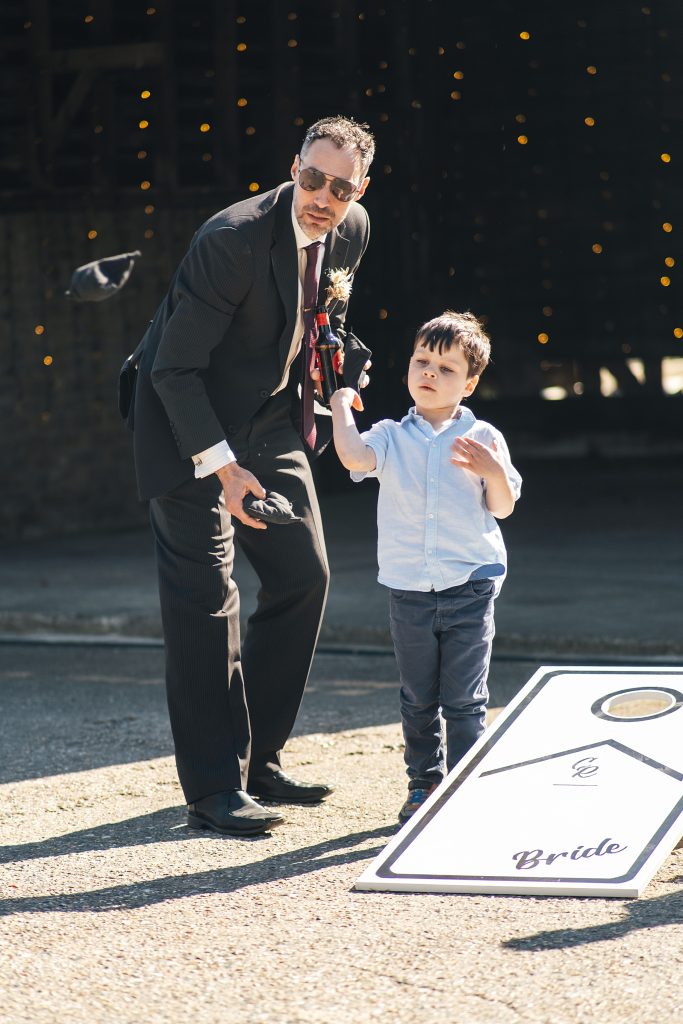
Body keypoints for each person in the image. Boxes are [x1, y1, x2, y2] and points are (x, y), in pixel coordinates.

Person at [120, 116, 375, 836]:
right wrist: (224, 471)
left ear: (360, 188)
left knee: (304, 575)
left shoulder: (352, 229)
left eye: (341, 187)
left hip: (267, 415)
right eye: (312, 179)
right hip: (184, 419)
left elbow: (319, 323)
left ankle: (257, 759)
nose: (323, 197)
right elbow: (172, 366)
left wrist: (341, 389)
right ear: (293, 167)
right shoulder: (230, 241)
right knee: (209, 598)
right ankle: (212, 789)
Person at [330, 311, 522, 824]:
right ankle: (424, 782)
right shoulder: (391, 435)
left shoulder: (484, 437)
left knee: (464, 698)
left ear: (471, 382)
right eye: (422, 361)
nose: (430, 373)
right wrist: (341, 405)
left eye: (446, 367)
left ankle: (463, 783)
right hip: (409, 589)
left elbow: (501, 506)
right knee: (418, 697)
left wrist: (492, 470)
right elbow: (352, 458)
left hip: (471, 585)